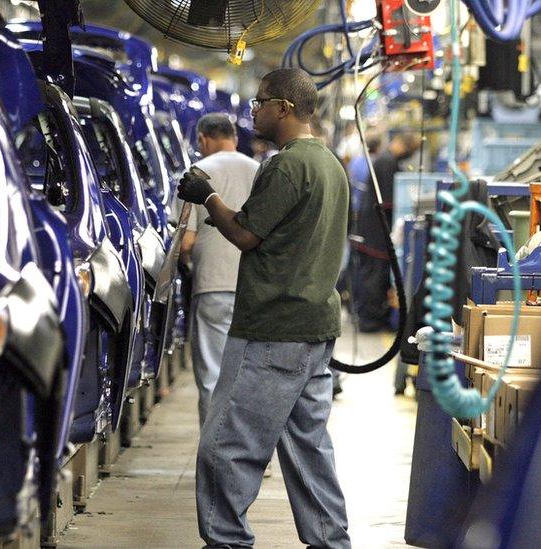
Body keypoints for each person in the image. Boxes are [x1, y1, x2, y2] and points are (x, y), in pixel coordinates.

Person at [179, 67, 351, 549]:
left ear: (285, 108)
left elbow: (246, 234)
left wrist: (206, 196)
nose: (253, 110)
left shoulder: (287, 164)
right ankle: (331, 542)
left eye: (259, 102)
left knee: (224, 449)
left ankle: (227, 542)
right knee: (308, 449)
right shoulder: (330, 164)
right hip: (314, 328)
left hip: (273, 329)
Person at [180, 113, 259, 427]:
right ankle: (252, 456)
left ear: (202, 139)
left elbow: (185, 241)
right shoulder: (260, 171)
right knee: (250, 378)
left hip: (212, 284)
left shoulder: (197, 173)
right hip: (254, 288)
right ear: (235, 138)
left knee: (213, 376)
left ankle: (215, 459)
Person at [350, 132, 419, 333]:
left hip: (375, 229)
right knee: (374, 276)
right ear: (401, 144)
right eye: (411, 150)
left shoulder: (386, 161)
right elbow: (388, 201)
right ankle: (368, 320)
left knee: (373, 275)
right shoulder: (387, 163)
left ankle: (370, 317)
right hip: (375, 231)